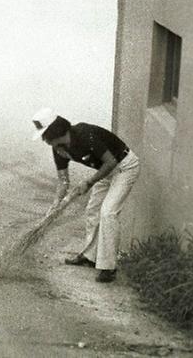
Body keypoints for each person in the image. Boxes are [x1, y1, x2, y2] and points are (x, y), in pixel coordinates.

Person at [32, 108, 141, 283]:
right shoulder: (58, 148)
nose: (44, 139)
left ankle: (108, 268)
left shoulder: (84, 134)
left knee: (108, 213)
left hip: (124, 167)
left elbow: (111, 161)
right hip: (105, 171)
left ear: (55, 130)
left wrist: (88, 183)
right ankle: (91, 257)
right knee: (93, 210)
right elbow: (63, 181)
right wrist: (56, 204)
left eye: (45, 135)